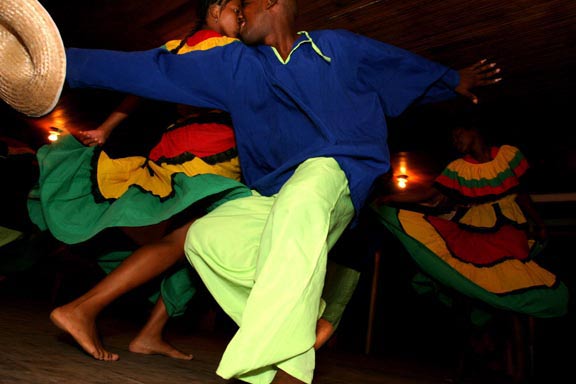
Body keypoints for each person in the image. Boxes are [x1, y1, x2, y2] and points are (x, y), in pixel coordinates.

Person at [3, 0, 503, 382]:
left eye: (243, 3)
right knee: (206, 237)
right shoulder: (236, 67)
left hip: (339, 173)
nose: (237, 13)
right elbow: (152, 69)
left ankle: (283, 371)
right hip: (274, 192)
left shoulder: (339, 48)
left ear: (276, 2)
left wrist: (452, 79)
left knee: (310, 187)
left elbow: (400, 70)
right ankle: (297, 335)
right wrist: (57, 62)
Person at [36, 0, 250, 361]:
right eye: (237, 11)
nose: (242, 20)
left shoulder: (174, 48)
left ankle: (150, 333)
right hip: (208, 157)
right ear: (216, 8)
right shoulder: (231, 51)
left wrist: (106, 128)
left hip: (176, 150)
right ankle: (83, 309)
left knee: (193, 247)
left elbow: (140, 84)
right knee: (188, 242)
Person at [372, 112, 569, 381]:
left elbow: (522, 193)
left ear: (473, 130)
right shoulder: (458, 168)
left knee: (512, 294)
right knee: (470, 290)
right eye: (452, 138)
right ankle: (467, 367)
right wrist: (390, 197)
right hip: (476, 232)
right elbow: (432, 193)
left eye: (457, 134)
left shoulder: (508, 156)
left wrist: (538, 222)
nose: (455, 141)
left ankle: (520, 371)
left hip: (510, 231)